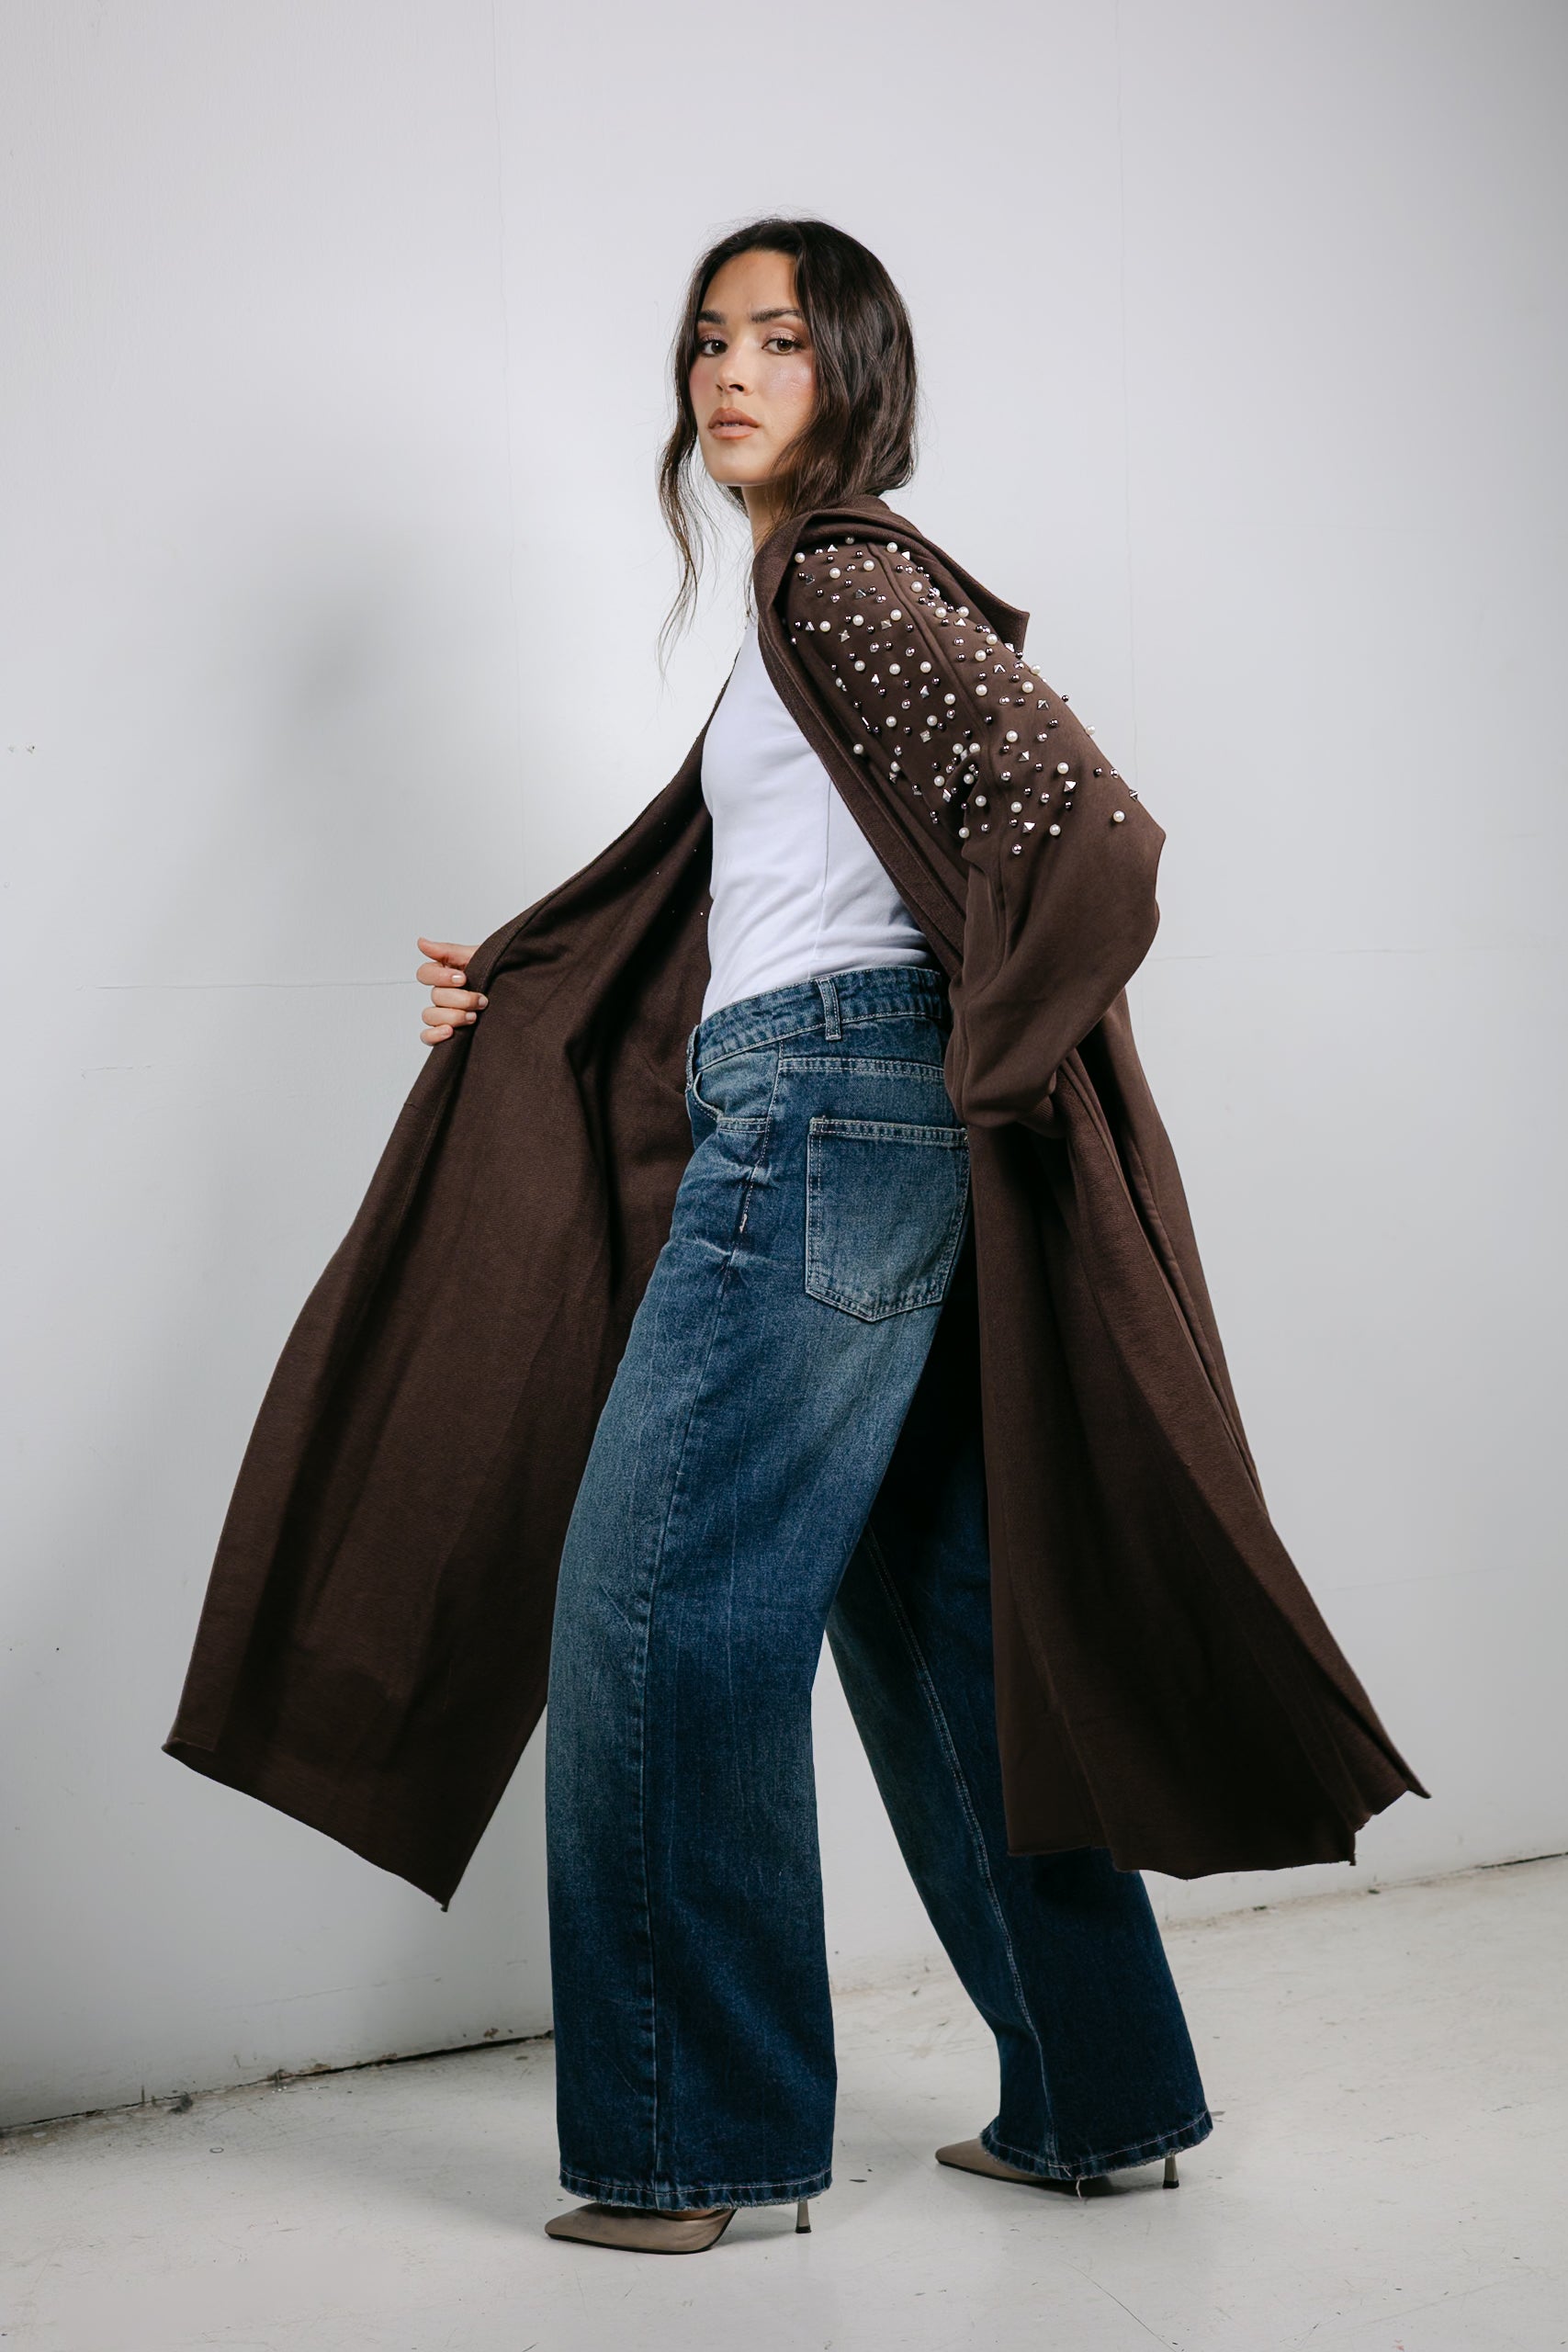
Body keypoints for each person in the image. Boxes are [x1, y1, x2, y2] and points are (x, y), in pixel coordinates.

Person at [165, 218, 1423, 2259]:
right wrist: (535, 987)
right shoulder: (794, 609)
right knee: (932, 1622)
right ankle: (1099, 2098)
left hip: (830, 1124)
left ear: (855, 370)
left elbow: (1084, 827)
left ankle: (697, 2143)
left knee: (658, 1602)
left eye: (778, 338)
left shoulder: (838, 578)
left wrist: (972, 1065)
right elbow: (752, 915)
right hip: (847, 1117)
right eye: (706, 340)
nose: (729, 373)